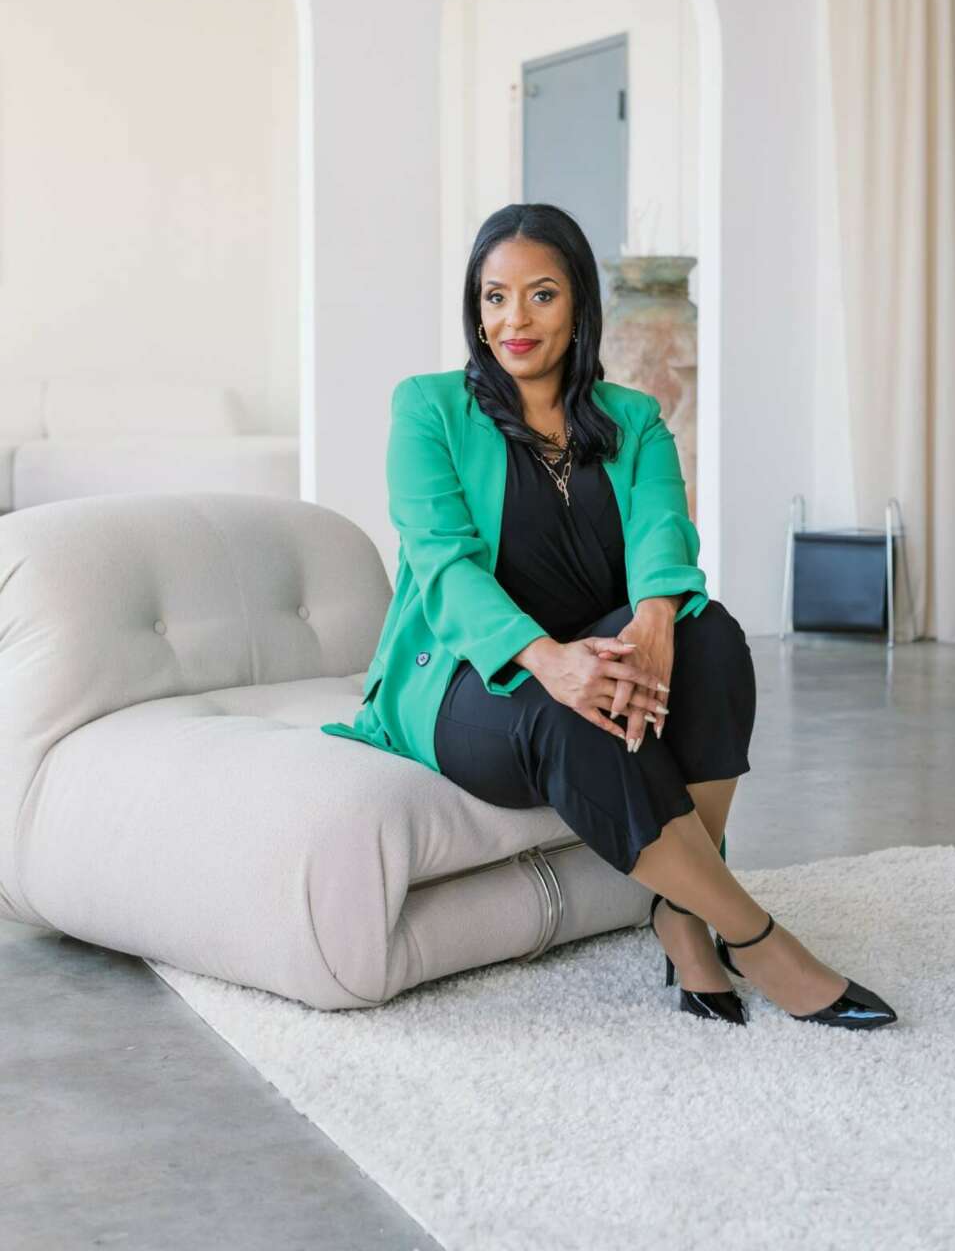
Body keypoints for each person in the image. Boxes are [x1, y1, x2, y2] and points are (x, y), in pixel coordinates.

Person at [323, 203, 897, 1030]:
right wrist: (551, 660)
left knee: (711, 636)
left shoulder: (633, 417)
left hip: (598, 646)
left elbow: (664, 530)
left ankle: (679, 916)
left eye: (541, 295)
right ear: (475, 309)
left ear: (579, 305)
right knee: (570, 712)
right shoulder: (428, 409)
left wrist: (654, 621)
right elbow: (444, 566)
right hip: (466, 676)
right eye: (494, 297)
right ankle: (757, 938)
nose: (514, 320)